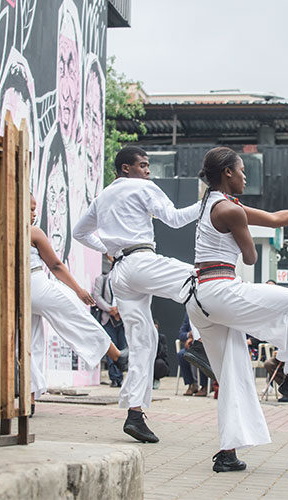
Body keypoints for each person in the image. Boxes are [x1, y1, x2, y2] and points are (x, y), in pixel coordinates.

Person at [184, 146, 288, 472]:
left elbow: (274, 219)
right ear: (228, 172)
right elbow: (251, 258)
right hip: (219, 290)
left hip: (201, 299)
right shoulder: (230, 211)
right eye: (242, 171)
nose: (246, 176)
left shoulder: (210, 204)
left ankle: (227, 452)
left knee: (233, 375)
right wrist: (245, 238)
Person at [73, 145, 210, 444]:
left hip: (121, 273)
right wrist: (208, 203)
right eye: (143, 165)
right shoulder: (143, 187)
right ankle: (198, 345)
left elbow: (78, 233)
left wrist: (108, 249)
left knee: (143, 343)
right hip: (140, 261)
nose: (148, 171)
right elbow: (173, 219)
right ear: (127, 168)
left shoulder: (102, 197)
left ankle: (135, 414)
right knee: (198, 279)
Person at [29, 196, 125, 409]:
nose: (34, 214)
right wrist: (79, 290)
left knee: (32, 342)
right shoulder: (33, 232)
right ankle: (116, 355)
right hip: (35, 282)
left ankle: (30, 398)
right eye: (31, 209)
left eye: (35, 209)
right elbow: (55, 265)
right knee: (76, 314)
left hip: (16, 291)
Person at [91, 255, 127, 387]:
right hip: (107, 318)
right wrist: (110, 309)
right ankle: (114, 378)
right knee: (110, 346)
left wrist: (120, 310)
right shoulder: (102, 279)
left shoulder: (124, 280)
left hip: (122, 320)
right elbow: (97, 297)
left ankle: (121, 377)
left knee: (123, 348)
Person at [177, 312, 209, 396]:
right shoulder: (188, 315)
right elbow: (181, 333)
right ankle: (192, 384)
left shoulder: (206, 313)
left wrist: (197, 337)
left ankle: (204, 386)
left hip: (205, 346)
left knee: (201, 356)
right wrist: (189, 335)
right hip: (192, 347)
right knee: (181, 354)